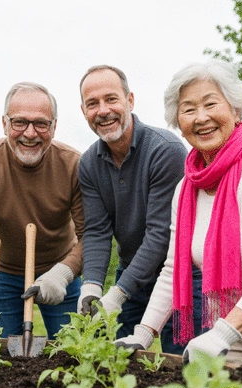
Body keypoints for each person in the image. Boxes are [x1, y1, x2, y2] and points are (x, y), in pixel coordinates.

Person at [115, 60, 242, 367]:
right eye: (189, 109)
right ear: (178, 121)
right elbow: (173, 267)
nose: (201, 117)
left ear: (235, 108)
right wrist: (144, 332)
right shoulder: (187, 188)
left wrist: (225, 332)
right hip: (235, 339)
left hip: (229, 331)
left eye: (210, 103)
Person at [0, 82, 83, 339]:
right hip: (5, 273)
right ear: (4, 124)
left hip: (60, 271)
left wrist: (64, 273)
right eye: (19, 122)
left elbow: (92, 235)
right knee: (0, 360)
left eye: (41, 124)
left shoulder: (73, 165)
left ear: (54, 126)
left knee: (76, 353)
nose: (30, 133)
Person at [77, 65, 188, 354]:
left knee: (178, 365)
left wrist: (118, 292)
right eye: (92, 103)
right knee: (122, 359)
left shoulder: (166, 150)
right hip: (133, 273)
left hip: (179, 275)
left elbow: (159, 234)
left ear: (130, 100)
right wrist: (91, 286)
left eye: (111, 99)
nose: (103, 110)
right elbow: (97, 231)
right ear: (83, 110)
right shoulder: (89, 163)